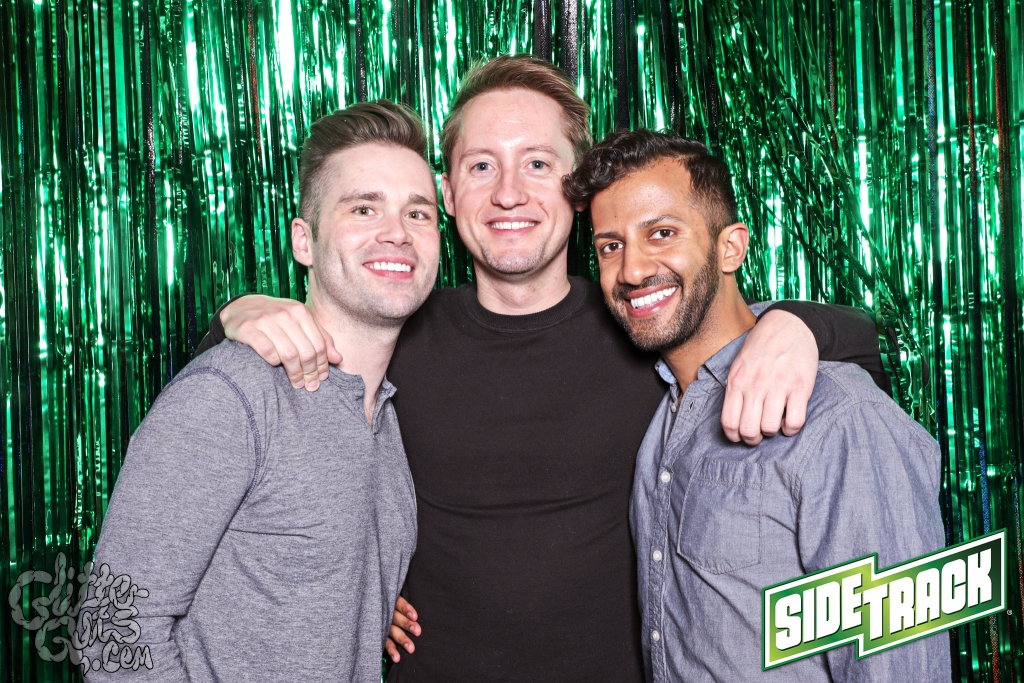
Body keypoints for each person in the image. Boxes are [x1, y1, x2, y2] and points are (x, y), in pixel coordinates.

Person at [196, 56, 888, 682]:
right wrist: (237, 312)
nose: (508, 193)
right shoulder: (394, 331)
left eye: (536, 163)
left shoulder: (637, 321)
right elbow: (233, 402)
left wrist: (798, 325)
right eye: (481, 166)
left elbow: (860, 353)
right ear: (447, 191)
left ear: (577, 190)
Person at [563, 128, 950, 681]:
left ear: (731, 248)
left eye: (662, 233)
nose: (632, 269)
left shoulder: (841, 417)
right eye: (610, 246)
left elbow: (900, 665)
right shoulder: (661, 415)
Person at [77, 101, 440, 682]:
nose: (397, 232)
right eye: (364, 208)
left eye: (417, 213)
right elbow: (110, 630)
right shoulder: (230, 396)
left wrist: (361, 602)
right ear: (303, 241)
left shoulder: (383, 414)